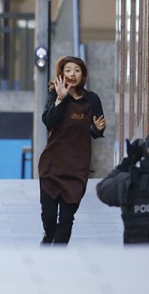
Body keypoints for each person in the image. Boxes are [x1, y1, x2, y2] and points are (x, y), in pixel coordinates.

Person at [38, 56, 106, 245]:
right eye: (68, 70)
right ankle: (48, 235)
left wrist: (98, 129)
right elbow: (48, 122)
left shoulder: (92, 98)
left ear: (83, 74)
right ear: (61, 73)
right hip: (52, 164)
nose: (72, 74)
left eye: (77, 70)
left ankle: (58, 258)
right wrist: (61, 98)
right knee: (49, 217)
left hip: (77, 166)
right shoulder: (54, 94)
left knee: (67, 219)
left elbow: (96, 129)